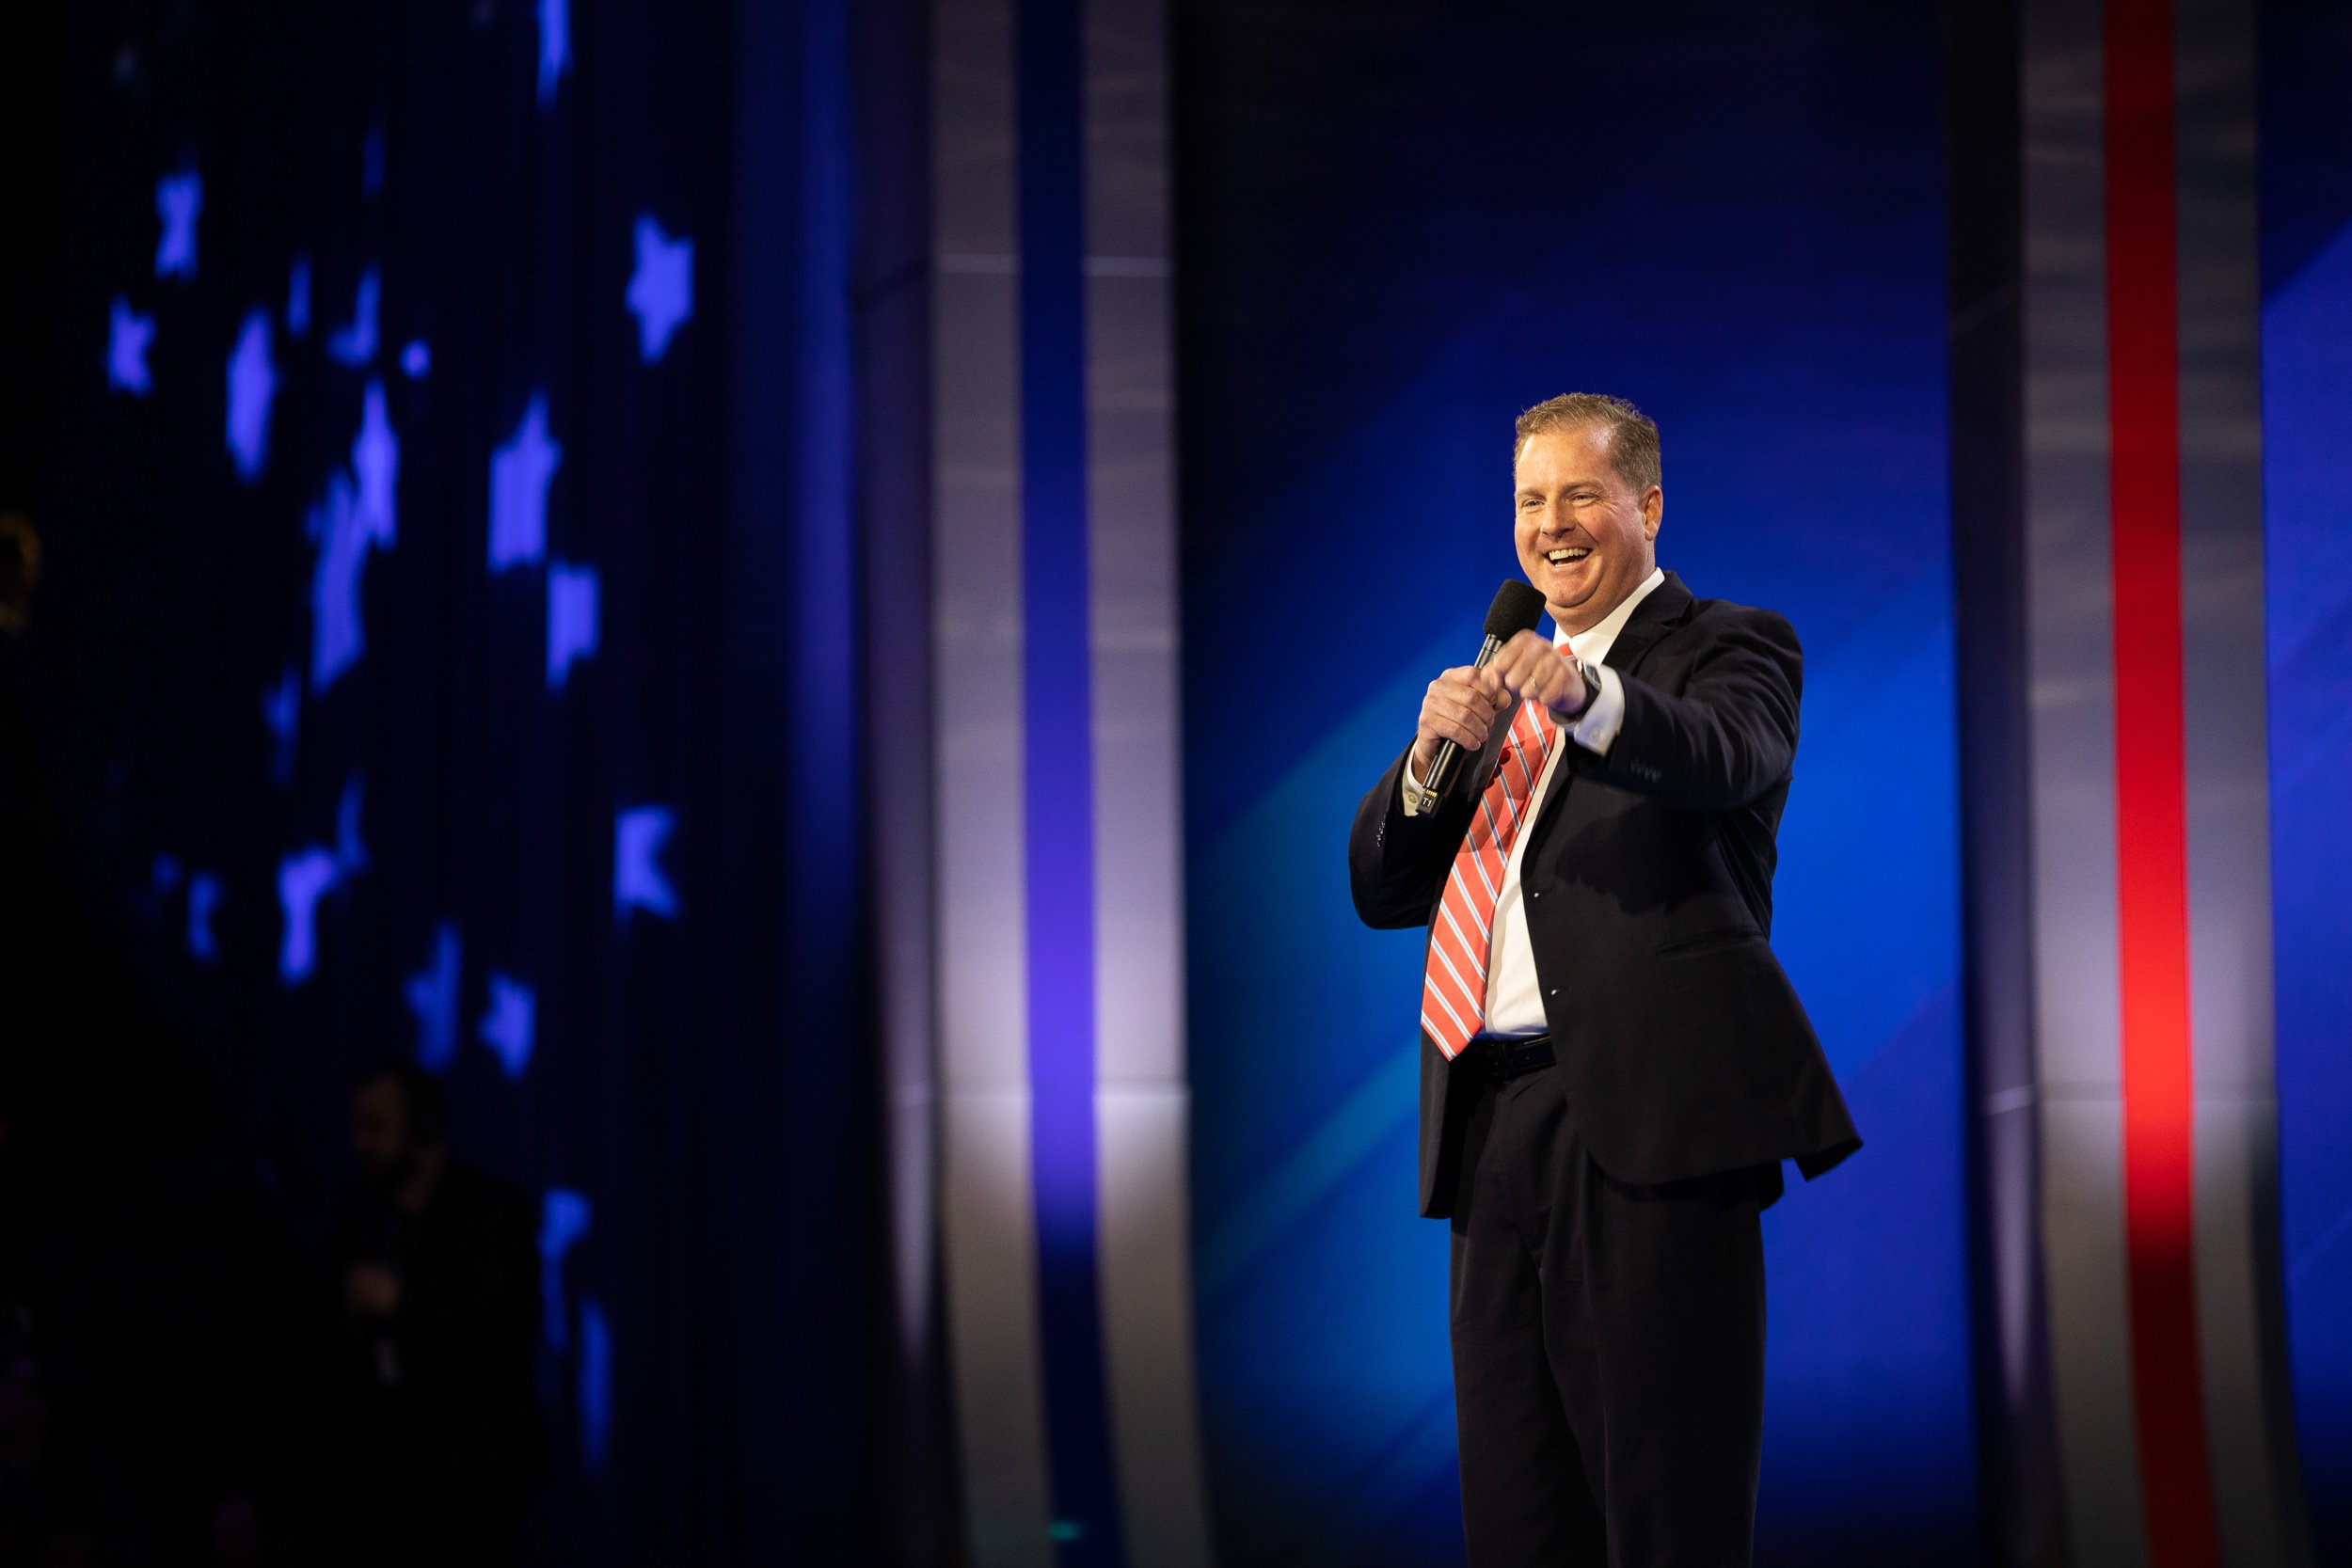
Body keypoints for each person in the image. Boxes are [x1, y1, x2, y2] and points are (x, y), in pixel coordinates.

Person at [1348, 394, 1859, 1565]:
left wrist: (1584, 695)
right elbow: (1380, 887)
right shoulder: (1495, 684)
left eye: (1581, 493)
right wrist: (1431, 758)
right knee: (1520, 1513)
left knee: (1665, 1507)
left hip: (1650, 1127)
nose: (1551, 524)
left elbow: (1722, 754)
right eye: (1530, 499)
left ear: (1648, 505)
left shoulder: (1728, 641)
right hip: (1489, 1130)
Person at [326, 1064, 543, 1568]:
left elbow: (510, 1321)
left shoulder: (492, 1211)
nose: (362, 1143)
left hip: (469, 1473)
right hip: (378, 1473)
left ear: (420, 1128)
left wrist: (404, 1304)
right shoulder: (357, 1214)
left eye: (377, 1126)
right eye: (358, 1126)